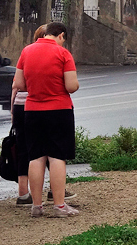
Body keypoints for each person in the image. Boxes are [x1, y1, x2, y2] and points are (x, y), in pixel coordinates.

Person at [14, 21, 80, 218]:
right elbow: (71, 86)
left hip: (32, 111)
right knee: (57, 156)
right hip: (59, 110)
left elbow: (19, 83)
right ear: (60, 35)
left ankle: (36, 206)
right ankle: (59, 206)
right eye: (63, 40)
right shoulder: (63, 54)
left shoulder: (26, 51)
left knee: (36, 157)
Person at [12, 24, 49, 205]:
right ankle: (56, 190)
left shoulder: (26, 53)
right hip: (38, 105)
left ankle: (22, 193)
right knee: (49, 148)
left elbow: (15, 85)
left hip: (20, 104)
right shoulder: (52, 54)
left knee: (22, 148)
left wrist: (13, 112)